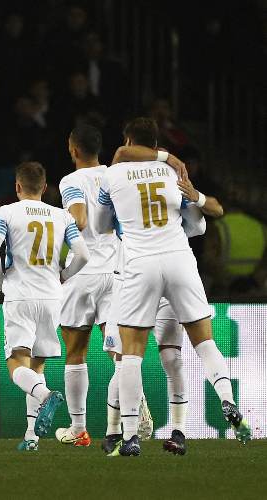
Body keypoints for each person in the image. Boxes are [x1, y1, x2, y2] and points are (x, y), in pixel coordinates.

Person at [93, 117, 251, 456]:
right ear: (157, 144)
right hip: (179, 260)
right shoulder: (173, 175)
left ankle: (131, 435)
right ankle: (226, 400)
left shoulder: (113, 173)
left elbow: (99, 225)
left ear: (127, 139)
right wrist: (173, 168)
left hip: (138, 267)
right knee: (200, 344)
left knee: (130, 353)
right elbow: (199, 226)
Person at [0, 161, 88, 451]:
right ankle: (31, 437)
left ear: (17, 186)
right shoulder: (62, 216)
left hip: (20, 293)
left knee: (16, 361)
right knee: (37, 364)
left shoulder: (6, 212)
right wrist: (65, 275)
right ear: (45, 188)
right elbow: (84, 254)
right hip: (52, 296)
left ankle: (45, 396)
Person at [53, 124, 120, 447]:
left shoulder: (72, 181)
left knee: (76, 353)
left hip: (83, 274)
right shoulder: (114, 176)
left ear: (73, 149)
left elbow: (78, 219)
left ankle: (78, 429)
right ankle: (128, 418)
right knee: (121, 355)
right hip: (117, 272)